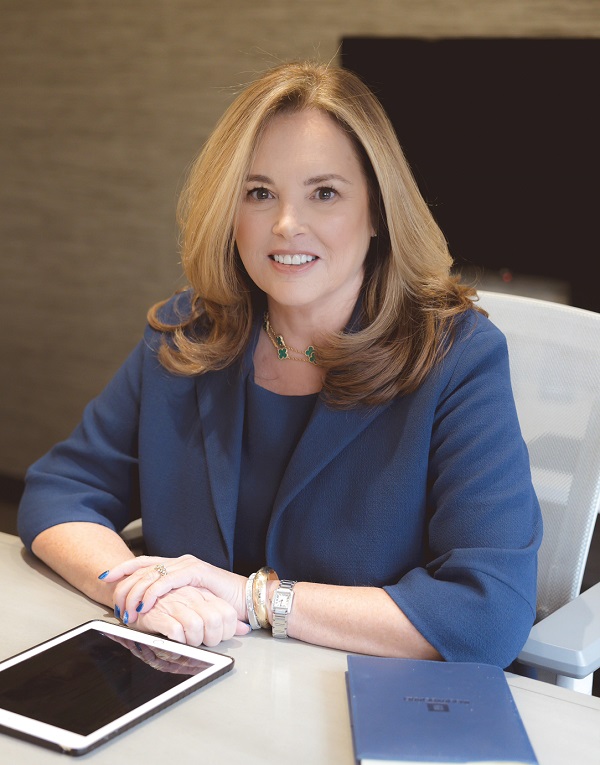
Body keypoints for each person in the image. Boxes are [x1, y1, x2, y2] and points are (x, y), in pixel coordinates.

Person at [17, 61, 542, 667]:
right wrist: (135, 591)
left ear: (376, 211)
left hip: (351, 699)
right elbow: (63, 490)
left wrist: (253, 599)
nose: (287, 225)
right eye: (260, 193)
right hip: (187, 677)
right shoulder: (188, 334)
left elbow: (489, 613)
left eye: (325, 192)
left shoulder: (457, 357)